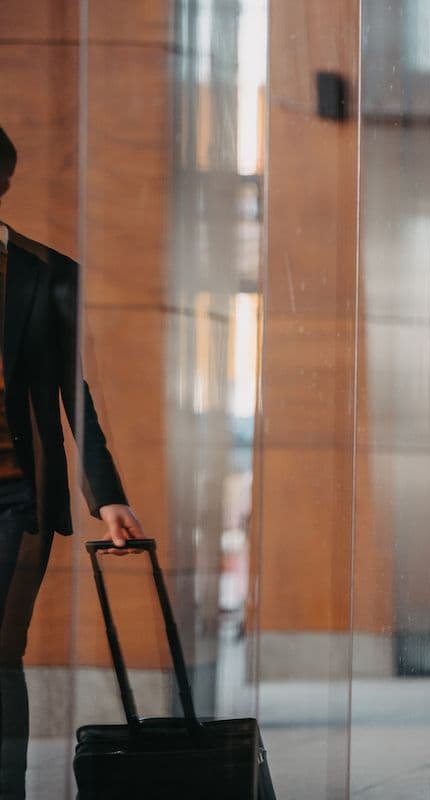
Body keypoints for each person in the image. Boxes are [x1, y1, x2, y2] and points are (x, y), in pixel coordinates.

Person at [0, 124, 142, 798]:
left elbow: (71, 392)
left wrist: (106, 495)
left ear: (3, 182)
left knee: (1, 649)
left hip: (16, 497)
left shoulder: (46, 272)